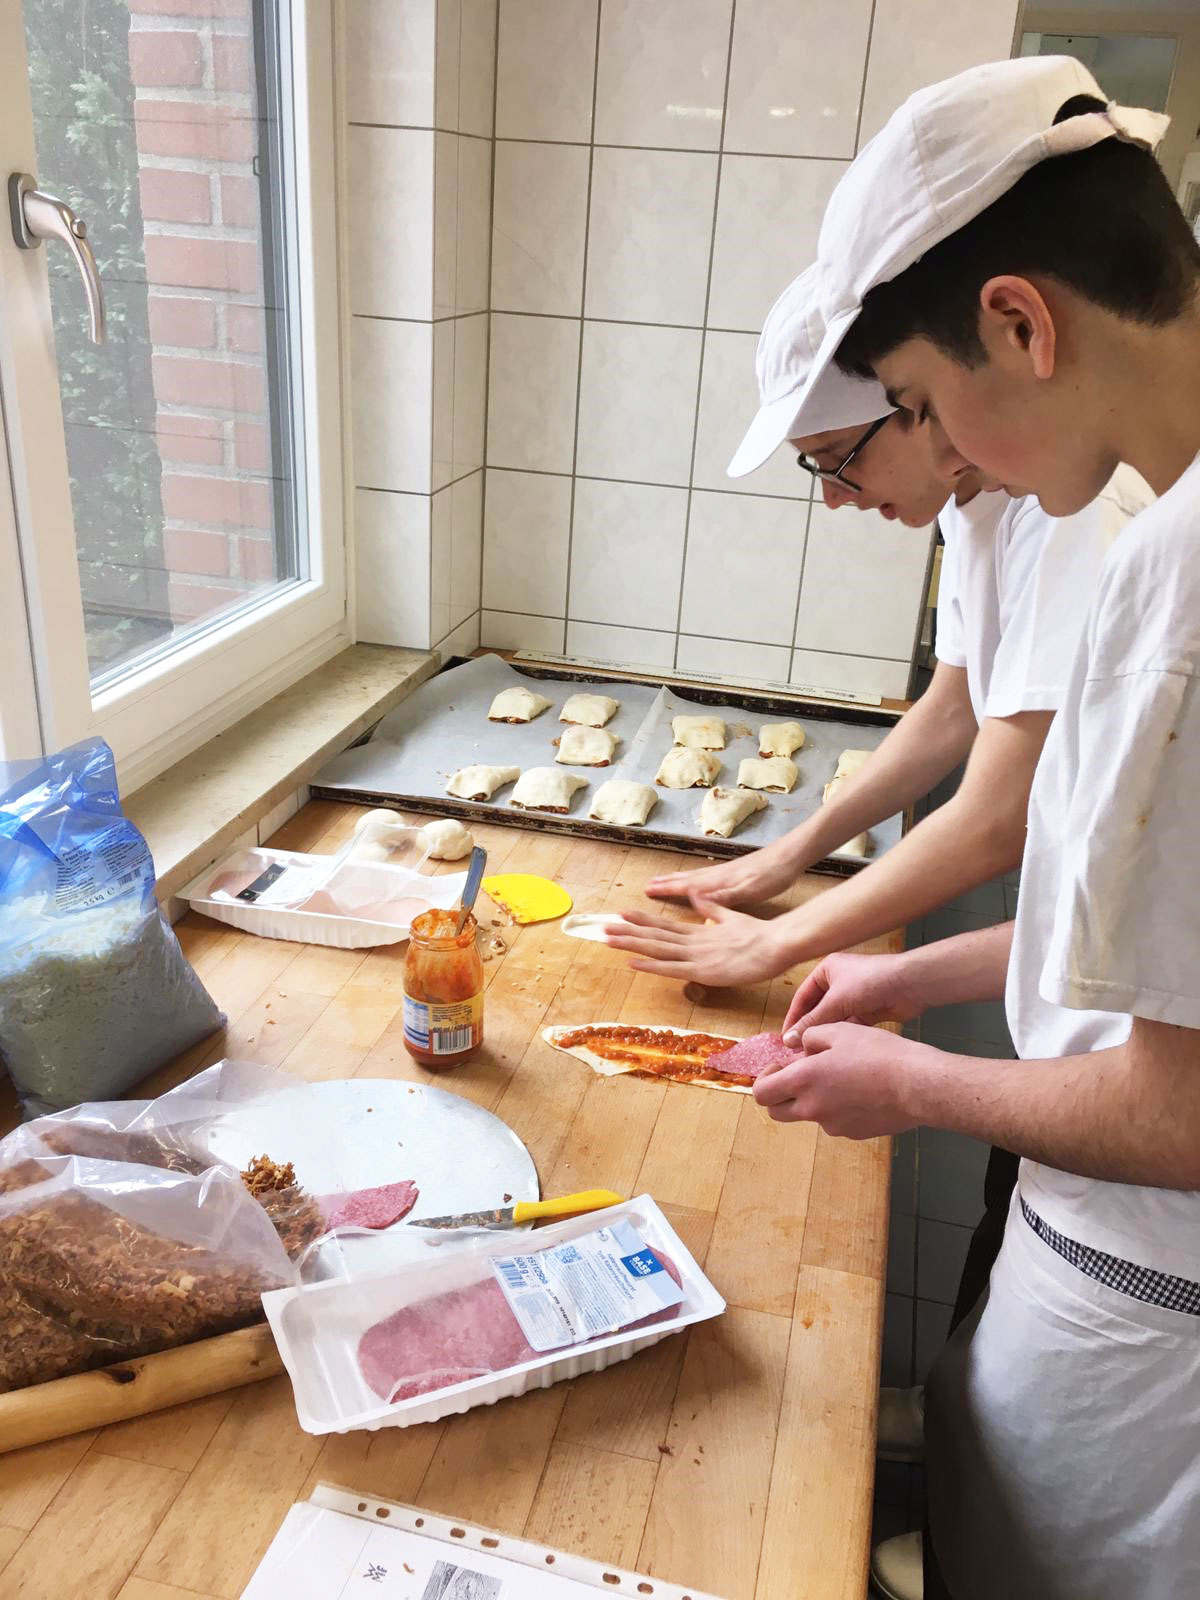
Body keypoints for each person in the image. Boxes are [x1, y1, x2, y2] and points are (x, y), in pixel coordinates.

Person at [730, 54, 1200, 1600]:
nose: (943, 457)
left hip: (1153, 1330)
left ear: (1021, 320)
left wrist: (913, 1079)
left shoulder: (1167, 573)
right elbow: (1139, 948)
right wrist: (894, 976)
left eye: (920, 407)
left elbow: (1184, 1108)